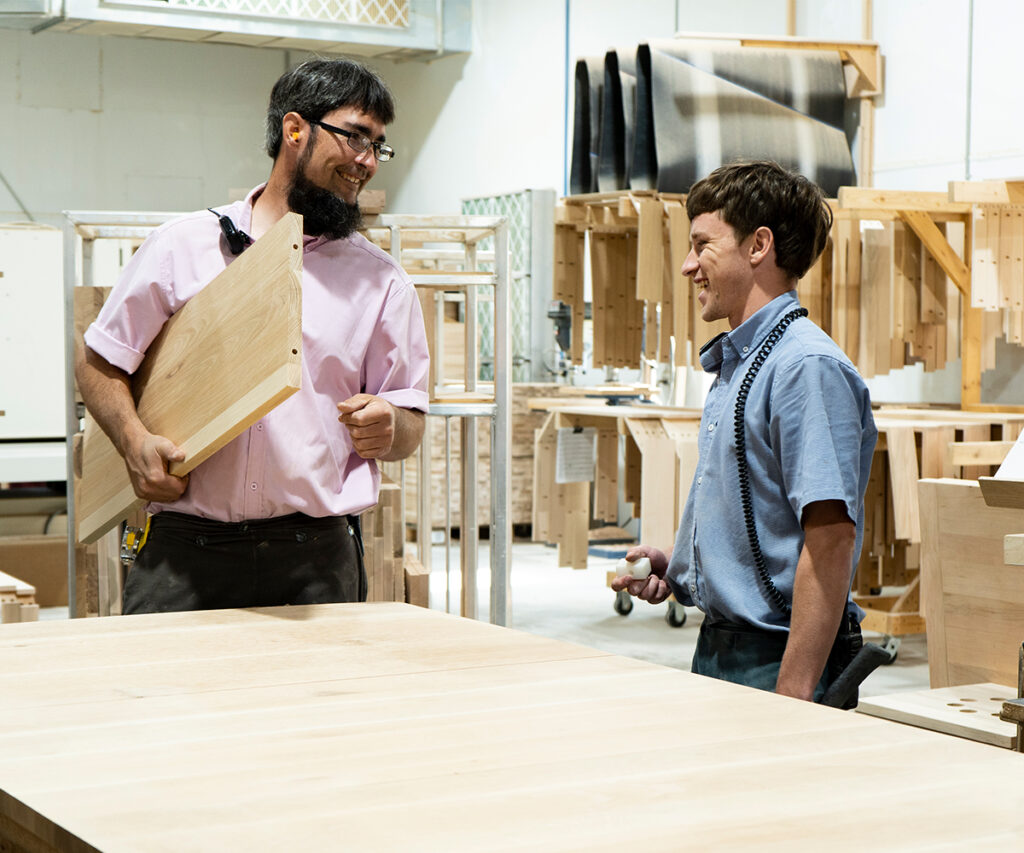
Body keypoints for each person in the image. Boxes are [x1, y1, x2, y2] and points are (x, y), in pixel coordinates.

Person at [76, 58, 429, 614]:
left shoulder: (382, 282)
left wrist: (392, 425)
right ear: (295, 131)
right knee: (167, 701)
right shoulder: (181, 248)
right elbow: (99, 364)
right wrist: (132, 440)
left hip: (316, 557)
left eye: (378, 146)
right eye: (355, 137)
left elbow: (410, 426)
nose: (367, 162)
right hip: (183, 554)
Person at [612, 161, 877, 705]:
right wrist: (682, 565)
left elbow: (830, 539)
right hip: (724, 649)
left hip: (778, 662)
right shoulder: (743, 362)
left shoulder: (805, 367)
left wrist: (793, 693)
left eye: (702, 244)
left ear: (758, 246)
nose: (689, 266)